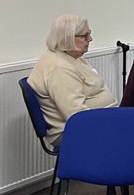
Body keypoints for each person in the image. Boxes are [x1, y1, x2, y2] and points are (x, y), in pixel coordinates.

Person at [27, 14, 117, 146]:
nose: (90, 39)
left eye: (89, 34)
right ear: (67, 38)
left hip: (97, 121)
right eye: (84, 36)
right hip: (72, 132)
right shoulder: (59, 68)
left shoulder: (73, 58)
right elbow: (77, 116)